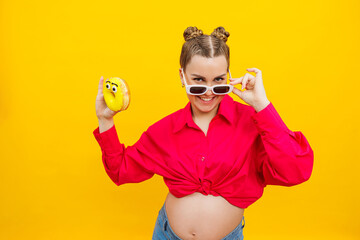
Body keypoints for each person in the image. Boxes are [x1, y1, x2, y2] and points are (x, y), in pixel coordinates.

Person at [93, 26, 314, 240]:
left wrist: (262, 105)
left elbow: (296, 171)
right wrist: (105, 119)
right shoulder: (164, 130)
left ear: (228, 76)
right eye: (198, 81)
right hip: (167, 235)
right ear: (182, 76)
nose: (208, 92)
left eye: (218, 81)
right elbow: (121, 171)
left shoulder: (253, 123)